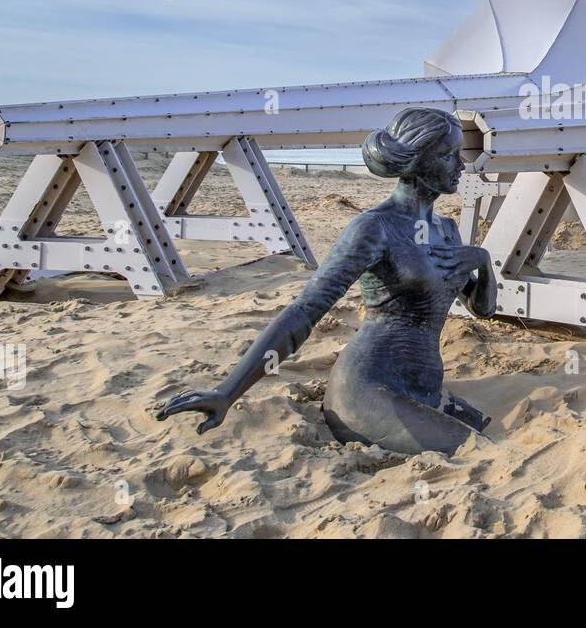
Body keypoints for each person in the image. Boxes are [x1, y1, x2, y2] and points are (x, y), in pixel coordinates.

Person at [157, 107, 497, 455]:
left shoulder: (447, 231)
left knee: (486, 439)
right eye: (447, 155)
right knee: (479, 454)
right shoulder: (374, 228)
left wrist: (483, 263)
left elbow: (483, 310)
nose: (460, 165)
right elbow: (306, 310)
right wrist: (226, 392)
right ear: (416, 161)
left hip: (426, 388)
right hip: (367, 390)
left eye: (460, 154)